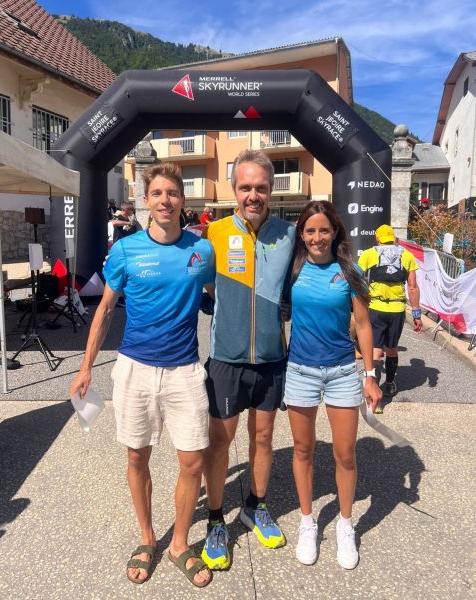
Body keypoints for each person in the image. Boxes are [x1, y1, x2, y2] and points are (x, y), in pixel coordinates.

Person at [70, 163, 215, 588]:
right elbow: (105, 309)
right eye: (158, 193)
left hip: (184, 370)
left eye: (173, 193)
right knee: (137, 456)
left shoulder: (202, 250)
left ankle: (179, 544)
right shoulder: (126, 250)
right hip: (135, 368)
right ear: (146, 201)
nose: (166, 200)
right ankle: (148, 538)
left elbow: (215, 297)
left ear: (182, 200)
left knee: (193, 460)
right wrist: (85, 367)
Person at [200, 150, 296, 570]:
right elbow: (199, 287)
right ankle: (215, 520)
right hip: (226, 358)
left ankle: (256, 506)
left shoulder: (289, 234)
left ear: (271, 189)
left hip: (272, 359)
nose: (253, 195)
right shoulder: (215, 233)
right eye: (245, 187)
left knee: (263, 439)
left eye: (260, 187)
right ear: (234, 190)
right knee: (220, 442)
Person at [283, 200, 382, 569]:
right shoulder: (292, 269)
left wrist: (370, 375)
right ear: (301, 234)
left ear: (335, 231)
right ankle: (307, 523)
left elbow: (364, 324)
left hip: (341, 372)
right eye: (310, 230)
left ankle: (345, 524)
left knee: (345, 454)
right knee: (303, 450)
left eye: (324, 230)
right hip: (300, 371)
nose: (317, 237)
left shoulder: (348, 270)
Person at [358, 224, 422, 412]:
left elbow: (357, 280)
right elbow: (412, 287)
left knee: (376, 351)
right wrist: (416, 313)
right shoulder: (407, 255)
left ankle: (375, 396)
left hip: (375, 307)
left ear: (377, 239)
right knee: (392, 349)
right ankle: (390, 384)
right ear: (393, 238)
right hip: (397, 310)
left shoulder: (368, 254)